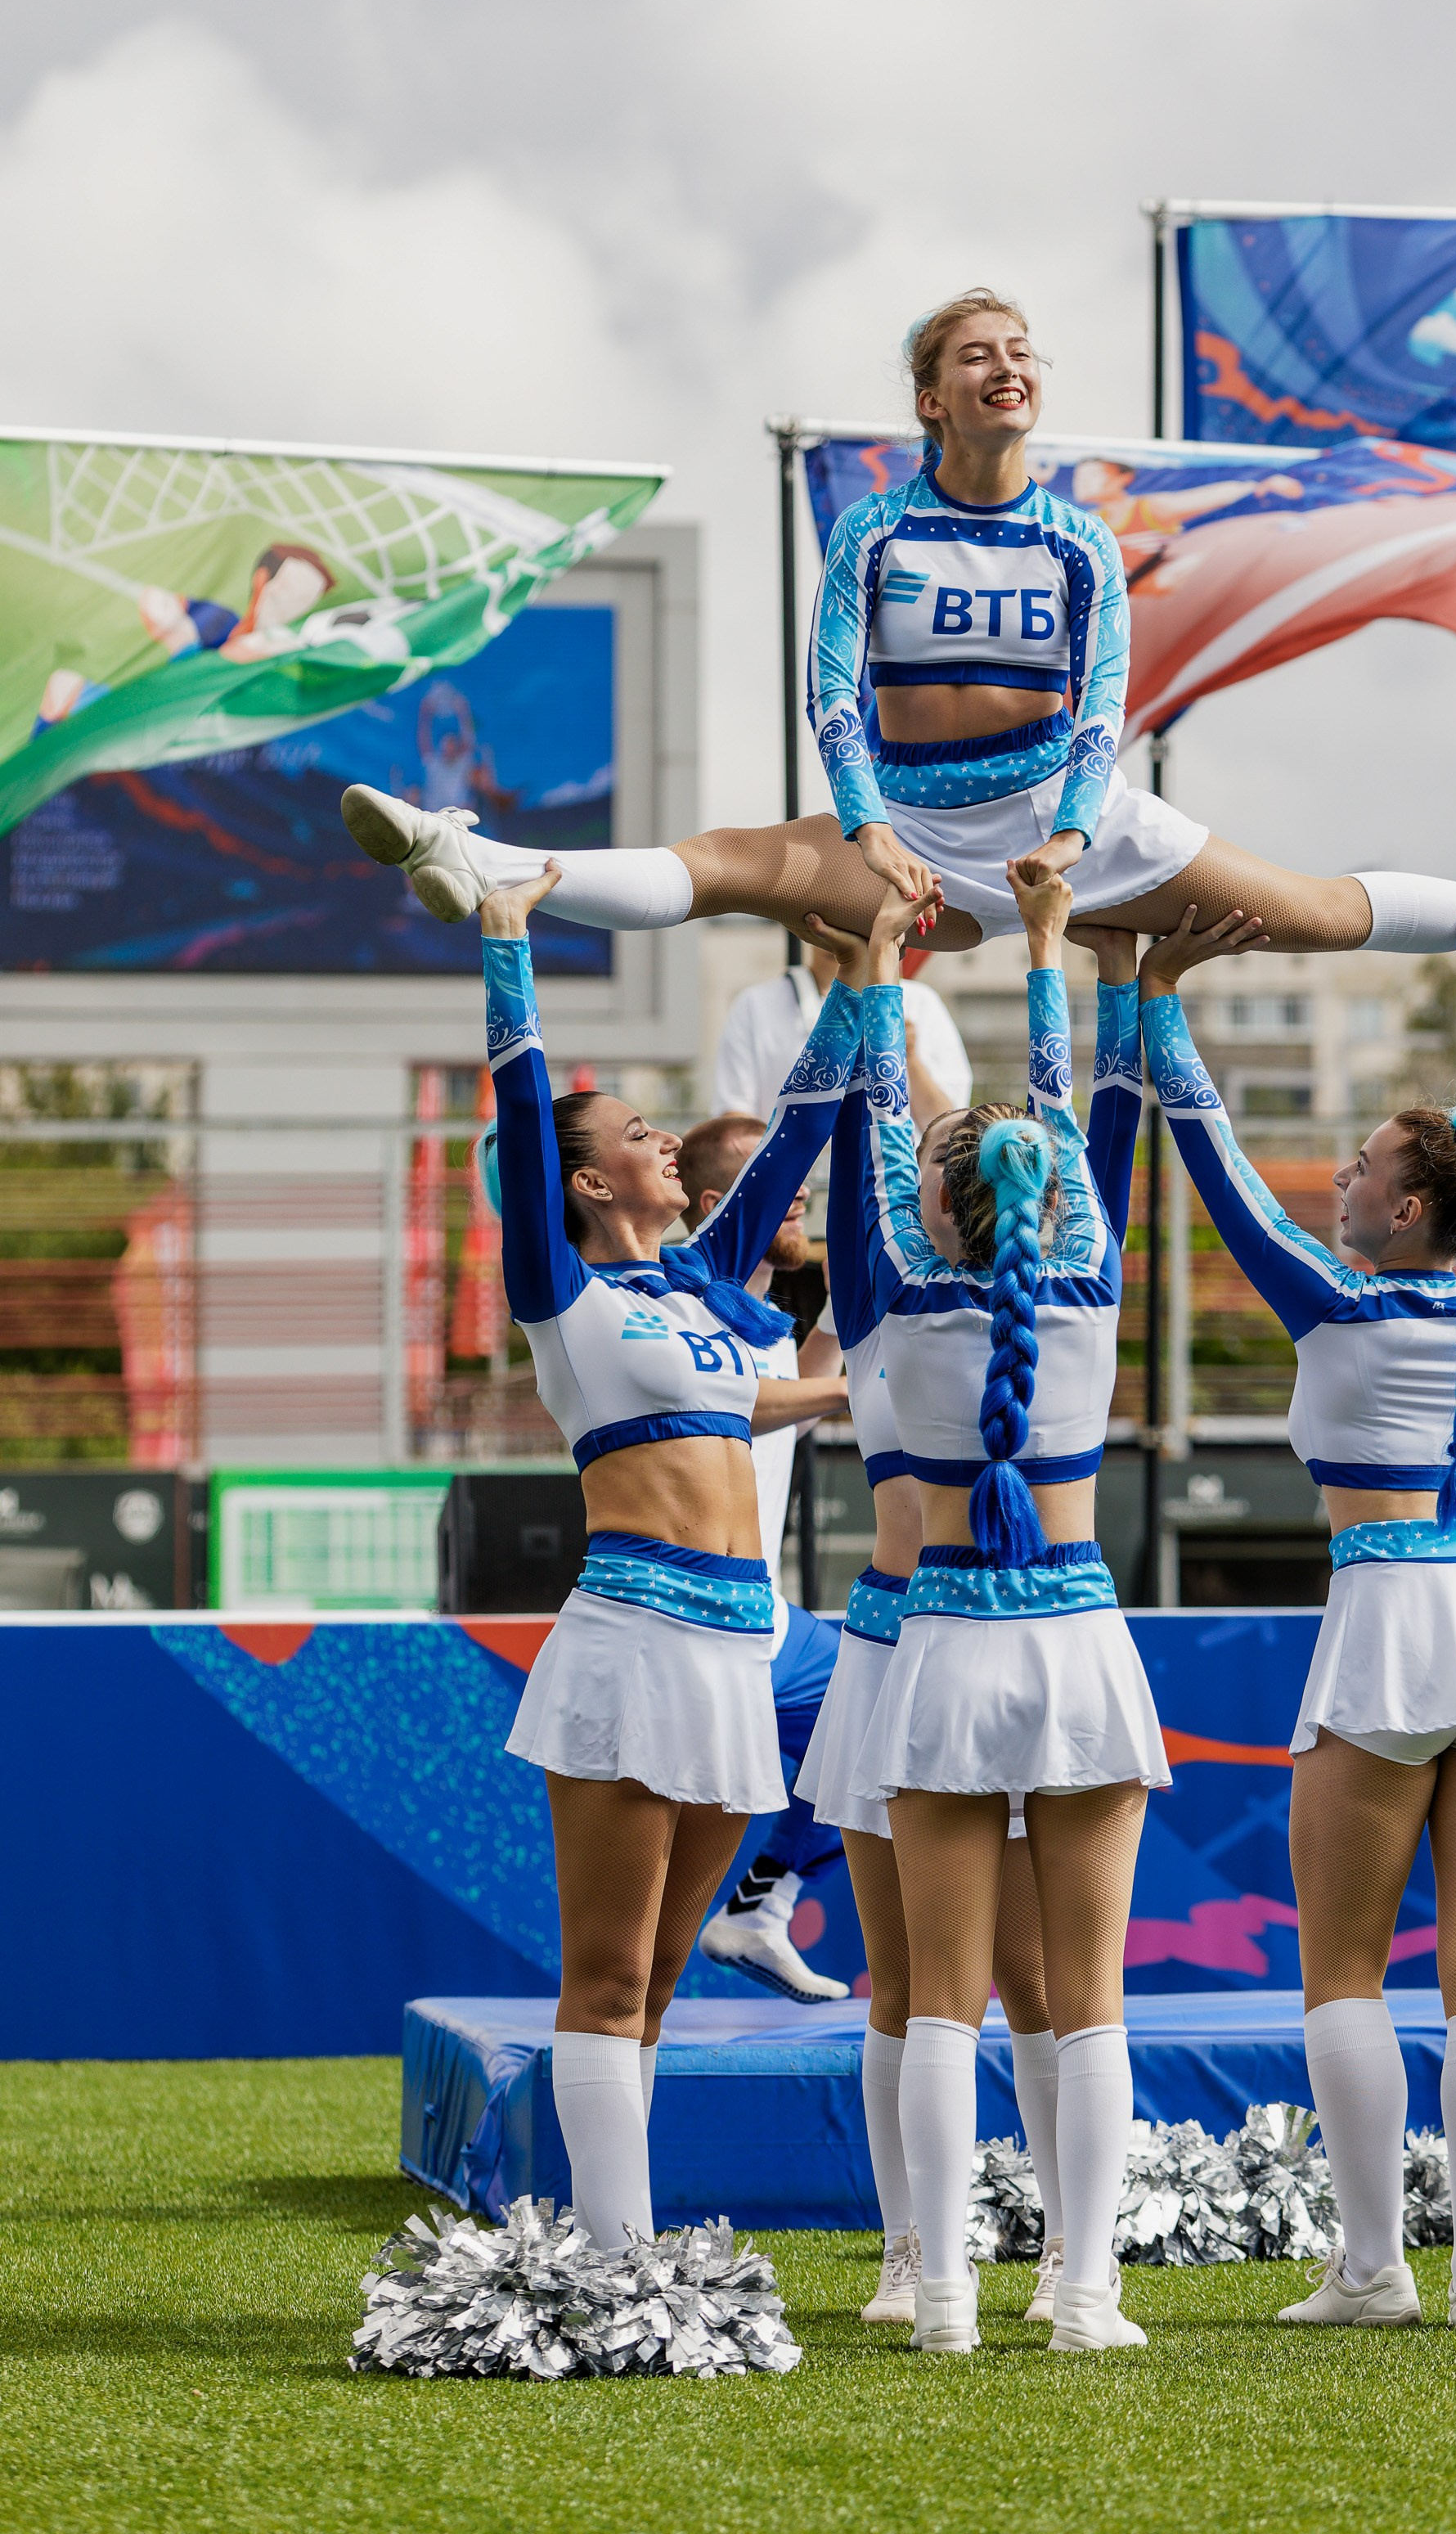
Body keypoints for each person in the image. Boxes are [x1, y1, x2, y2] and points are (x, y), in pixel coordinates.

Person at [335, 291, 1456, 997]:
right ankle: (473, 854)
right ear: (930, 395)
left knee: (1319, 915)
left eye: (1025, 351)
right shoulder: (874, 527)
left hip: (1068, 818)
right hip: (913, 828)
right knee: (731, 868)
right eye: (977, 354)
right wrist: (867, 831)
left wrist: (1068, 830)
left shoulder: (1080, 539)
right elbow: (834, 699)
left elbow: (1106, 702)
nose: (1008, 367)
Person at [1141, 895, 1456, 2334]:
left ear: (1408, 1206)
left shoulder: (1336, 1299)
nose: (1338, 1172)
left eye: (1365, 1162)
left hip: (1392, 1622)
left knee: (1344, 1967)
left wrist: (1155, 1000)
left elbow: (1210, 1161)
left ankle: (1374, 2268)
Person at [474, 854, 860, 2255]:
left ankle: (615, 2252)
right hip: (631, 1639)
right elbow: (521, 1123)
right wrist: (505, 942)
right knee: (607, 1968)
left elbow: (803, 1133)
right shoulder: (561, 1291)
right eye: (643, 1133)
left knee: (658, 1991)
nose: (669, 1146)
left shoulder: (712, 1300)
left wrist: (866, 975)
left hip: (731, 1650)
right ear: (587, 1178)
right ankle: (616, 2261)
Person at [828, 862, 1166, 2359]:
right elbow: (1080, 1112)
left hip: (949, 1648)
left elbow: (873, 1140)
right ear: (1055, 1205)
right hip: (1082, 1646)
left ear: (936, 1212)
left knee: (940, 2002)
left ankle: (945, 2296)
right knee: (1084, 2000)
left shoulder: (899, 1297)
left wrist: (886, 971)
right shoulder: (1087, 1293)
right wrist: (1047, 944)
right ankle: (1083, 2294)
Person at [667, 1114, 853, 2005]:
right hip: (697, 1620)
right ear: (719, 1206)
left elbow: (799, 1392)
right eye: (782, 1183)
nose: (803, 1192)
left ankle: (760, 1907)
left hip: (754, 1620)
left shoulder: (763, 1321)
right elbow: (732, 1405)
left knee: (876, 1719)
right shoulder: (682, 1309)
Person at [715, 939, 971, 1129]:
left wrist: (909, 1058)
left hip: (891, 1183)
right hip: (794, 1186)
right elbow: (736, 1120)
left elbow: (945, 1126)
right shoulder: (756, 1004)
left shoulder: (920, 1003)